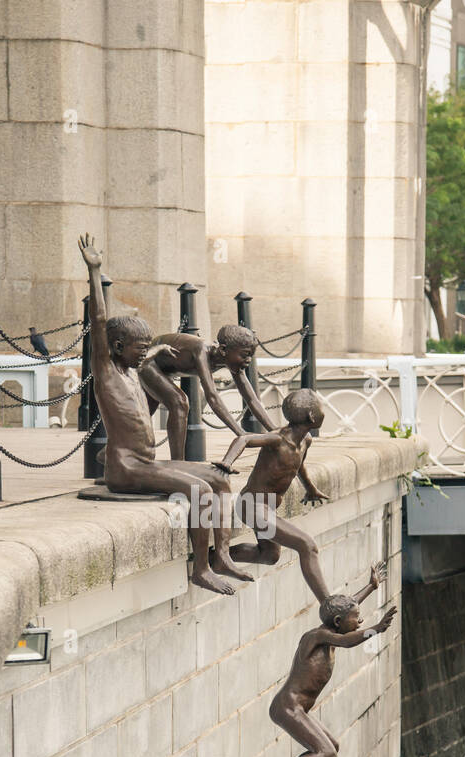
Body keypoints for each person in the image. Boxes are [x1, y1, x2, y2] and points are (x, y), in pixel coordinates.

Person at [78, 233, 248, 596]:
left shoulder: (133, 372)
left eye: (146, 350)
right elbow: (98, 321)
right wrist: (95, 272)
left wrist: (154, 352)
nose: (144, 355)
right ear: (118, 348)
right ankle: (200, 569)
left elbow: (148, 359)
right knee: (200, 490)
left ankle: (221, 555)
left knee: (217, 479)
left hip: (147, 463)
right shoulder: (108, 372)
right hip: (128, 470)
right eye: (139, 349)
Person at [251, 576, 396, 757]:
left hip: (297, 708)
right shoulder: (317, 637)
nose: (360, 621)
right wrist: (375, 629)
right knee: (327, 753)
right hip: (287, 707)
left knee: (332, 747)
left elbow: (350, 605)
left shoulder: (335, 624)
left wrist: (371, 586)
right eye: (356, 619)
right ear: (338, 622)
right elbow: (347, 640)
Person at [211, 388, 331, 601]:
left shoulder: (306, 441)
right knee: (307, 545)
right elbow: (245, 439)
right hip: (252, 506)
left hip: (267, 508)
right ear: (312, 416)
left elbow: (298, 466)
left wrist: (310, 489)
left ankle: (212, 558)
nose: (324, 412)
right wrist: (227, 462)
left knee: (270, 555)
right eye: (321, 408)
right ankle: (328, 604)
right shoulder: (278, 439)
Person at [138, 323, 274, 459]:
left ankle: (131, 448)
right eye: (245, 355)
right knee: (179, 402)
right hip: (150, 361)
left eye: (251, 355)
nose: (248, 360)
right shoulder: (201, 350)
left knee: (143, 414)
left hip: (166, 368)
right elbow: (213, 397)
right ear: (223, 349)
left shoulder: (233, 363)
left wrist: (275, 430)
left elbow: (252, 399)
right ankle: (178, 462)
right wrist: (240, 432)